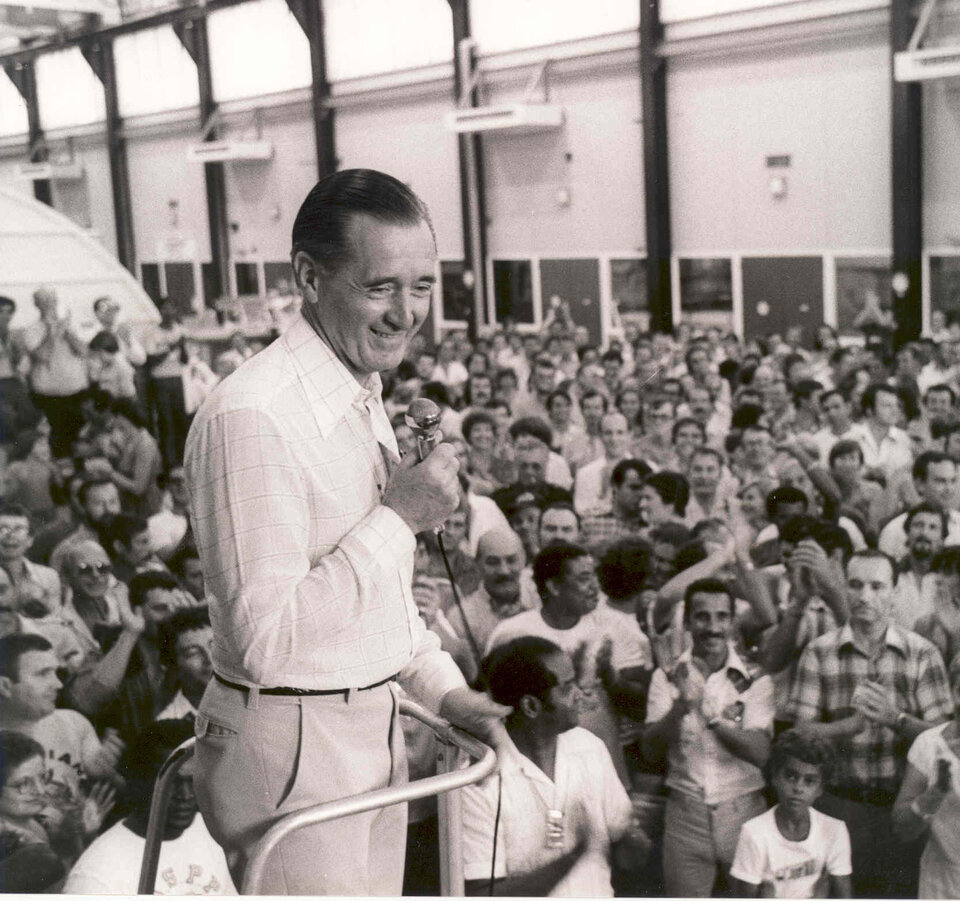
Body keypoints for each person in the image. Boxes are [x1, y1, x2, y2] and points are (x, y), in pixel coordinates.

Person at [183, 169, 507, 895]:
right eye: (380, 286)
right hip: (295, 742)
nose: (407, 312)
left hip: (369, 720)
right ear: (307, 276)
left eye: (422, 285)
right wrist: (400, 517)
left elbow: (372, 601)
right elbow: (267, 642)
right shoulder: (254, 417)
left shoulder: (360, 393)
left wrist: (446, 690)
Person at [787, 549, 954, 898]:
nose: (866, 596)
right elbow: (797, 738)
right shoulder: (819, 651)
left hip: (902, 806)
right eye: (856, 585)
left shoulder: (922, 654)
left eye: (878, 586)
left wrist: (897, 720)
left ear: (895, 591)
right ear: (844, 589)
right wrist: (847, 727)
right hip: (838, 806)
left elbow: (948, 743)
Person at [460, 638, 647, 896]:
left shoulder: (590, 748)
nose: (579, 693)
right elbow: (482, 893)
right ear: (531, 706)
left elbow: (630, 857)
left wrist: (634, 838)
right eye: (568, 686)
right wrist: (573, 857)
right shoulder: (480, 777)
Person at [642, 578, 774, 897]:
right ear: (687, 622)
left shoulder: (755, 678)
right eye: (702, 617)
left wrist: (710, 716)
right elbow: (649, 750)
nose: (712, 627)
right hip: (686, 814)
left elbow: (761, 752)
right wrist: (679, 709)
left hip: (744, 812)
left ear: (732, 621)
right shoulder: (666, 675)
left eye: (721, 617)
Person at [62, 718, 236, 895]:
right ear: (140, 782)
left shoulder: (208, 832)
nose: (185, 795)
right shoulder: (96, 875)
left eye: (192, 781)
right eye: (171, 782)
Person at [730, 729, 852, 898]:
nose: (798, 788)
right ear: (775, 778)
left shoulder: (834, 830)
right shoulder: (754, 832)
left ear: (820, 789)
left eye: (809, 781)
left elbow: (845, 897)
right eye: (791, 776)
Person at [891, 656, 960, 899]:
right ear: (954, 691)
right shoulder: (929, 744)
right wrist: (934, 795)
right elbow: (901, 830)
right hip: (942, 886)